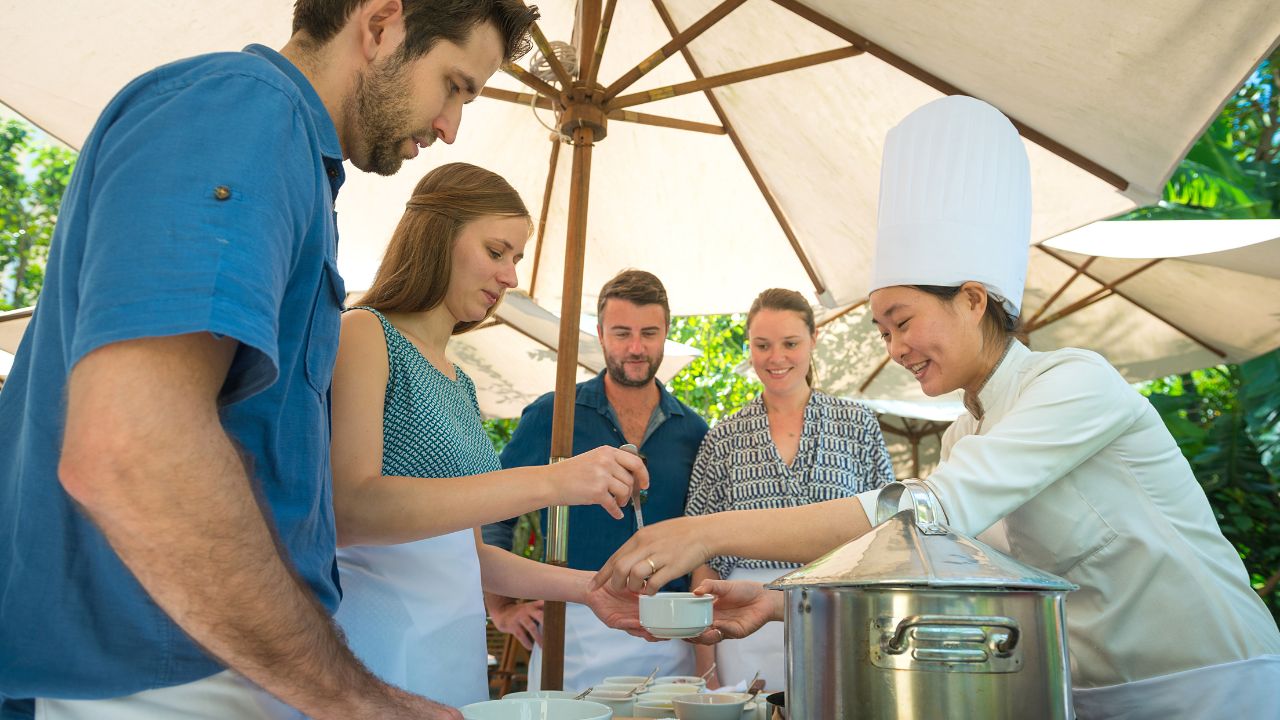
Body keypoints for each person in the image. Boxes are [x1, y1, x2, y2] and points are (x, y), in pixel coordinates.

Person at [592, 96, 1280, 718]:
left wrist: (710, 532)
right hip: (1091, 694)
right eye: (882, 331)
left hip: (1214, 681)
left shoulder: (1076, 384)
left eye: (902, 321)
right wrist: (779, 605)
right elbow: (929, 576)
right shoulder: (965, 436)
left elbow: (918, 512)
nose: (894, 348)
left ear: (973, 299)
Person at [0, 2, 538, 719]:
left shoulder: (287, 151)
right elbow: (130, 448)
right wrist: (351, 695)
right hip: (151, 678)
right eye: (455, 85)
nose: (449, 126)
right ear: (381, 24)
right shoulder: (247, 111)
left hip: (222, 662)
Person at [329, 162, 649, 706]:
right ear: (437, 237)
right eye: (496, 252)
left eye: (517, 259)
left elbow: (467, 554)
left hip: (453, 646)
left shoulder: (460, 383)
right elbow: (351, 510)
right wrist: (554, 482)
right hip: (379, 644)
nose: (510, 277)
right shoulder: (364, 333)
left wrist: (591, 589)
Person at [482, 269, 710, 690]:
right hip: (571, 629)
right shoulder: (555, 414)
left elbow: (706, 543)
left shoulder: (694, 432)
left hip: (668, 632)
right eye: (622, 333)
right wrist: (501, 609)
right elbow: (494, 510)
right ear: (601, 334)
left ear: (666, 333)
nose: (636, 348)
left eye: (649, 333)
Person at [684, 287, 893, 690]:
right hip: (741, 623)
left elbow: (889, 536)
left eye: (790, 343)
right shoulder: (723, 437)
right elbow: (701, 554)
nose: (776, 357)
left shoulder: (858, 425)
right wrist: (706, 664)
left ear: (814, 340)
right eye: (762, 345)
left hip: (836, 613)